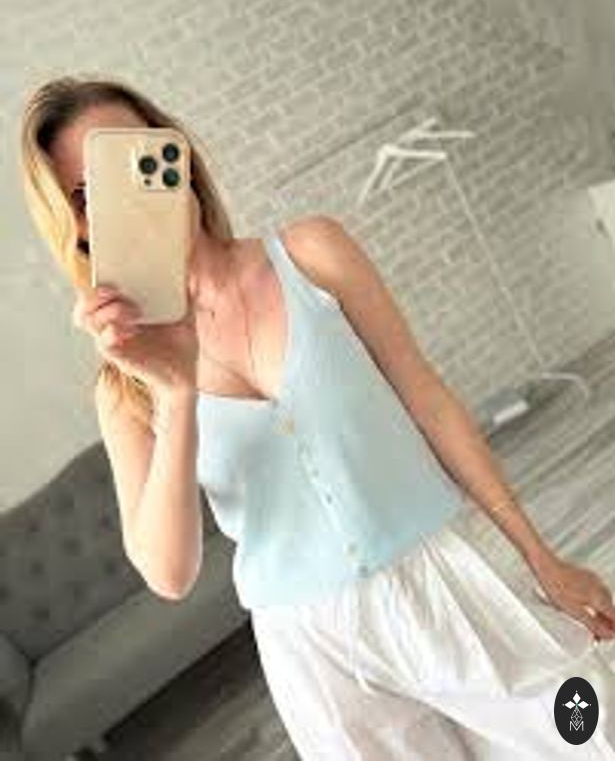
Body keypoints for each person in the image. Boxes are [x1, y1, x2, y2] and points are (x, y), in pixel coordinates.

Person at [19, 74, 615, 759]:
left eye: (132, 157)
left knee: (585, 730)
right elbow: (169, 573)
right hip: (315, 650)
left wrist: (541, 558)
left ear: (171, 149)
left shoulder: (311, 253)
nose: (126, 195)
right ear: (77, 226)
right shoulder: (126, 388)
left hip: (441, 574)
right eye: (87, 194)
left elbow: (430, 401)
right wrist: (177, 392)